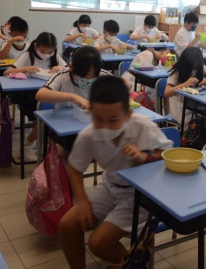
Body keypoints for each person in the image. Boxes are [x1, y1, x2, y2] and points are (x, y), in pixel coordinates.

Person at [58, 75, 173, 269]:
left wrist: (144, 155)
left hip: (141, 195)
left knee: (98, 244)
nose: (104, 127)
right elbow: (74, 166)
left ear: (127, 115)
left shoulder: (142, 126)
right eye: (98, 119)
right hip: (111, 186)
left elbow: (167, 154)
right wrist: (83, 200)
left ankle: (132, 264)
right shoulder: (89, 134)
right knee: (67, 225)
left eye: (113, 120)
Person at [4, 32, 67, 161]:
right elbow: (7, 72)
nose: (46, 54)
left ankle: (49, 144)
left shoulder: (55, 56)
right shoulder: (27, 55)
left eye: (50, 52)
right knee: (45, 117)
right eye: (42, 51)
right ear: (36, 46)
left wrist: (60, 68)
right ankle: (27, 146)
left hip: (48, 93)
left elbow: (69, 70)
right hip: (28, 95)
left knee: (57, 114)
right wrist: (25, 68)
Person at [165, 47, 206, 139]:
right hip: (180, 105)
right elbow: (167, 92)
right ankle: (197, 141)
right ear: (186, 61)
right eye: (193, 63)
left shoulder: (200, 67)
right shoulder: (177, 71)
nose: (195, 66)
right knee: (194, 127)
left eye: (197, 63)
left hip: (198, 103)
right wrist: (184, 85)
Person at [36, 46, 118, 111]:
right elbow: (40, 95)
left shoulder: (101, 74)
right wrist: (73, 97)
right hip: (64, 121)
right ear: (71, 67)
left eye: (93, 76)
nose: (88, 79)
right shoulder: (62, 77)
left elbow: (123, 86)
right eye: (83, 75)